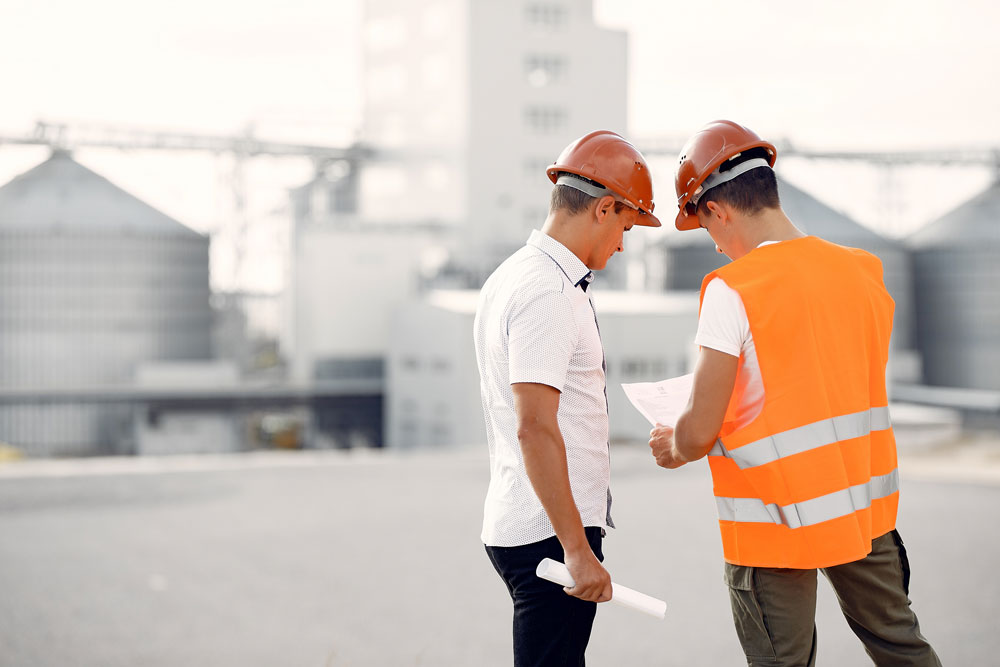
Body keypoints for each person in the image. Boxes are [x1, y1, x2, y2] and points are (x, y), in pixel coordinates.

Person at [648, 120, 941, 667]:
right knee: (902, 648)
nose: (714, 246)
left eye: (706, 228)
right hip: (862, 508)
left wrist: (676, 443)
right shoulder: (864, 273)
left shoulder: (733, 289)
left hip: (772, 520)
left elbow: (699, 430)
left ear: (717, 210)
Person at [474, 130, 661, 666]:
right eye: (626, 226)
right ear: (604, 208)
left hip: (535, 521)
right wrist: (577, 551)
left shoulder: (514, 276)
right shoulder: (549, 291)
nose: (624, 243)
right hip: (551, 536)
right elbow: (534, 425)